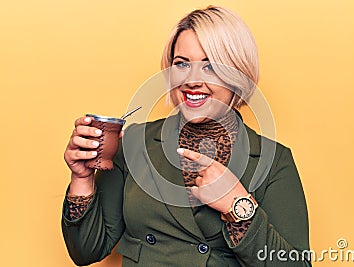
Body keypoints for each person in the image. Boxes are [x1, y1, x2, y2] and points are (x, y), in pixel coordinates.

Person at [62, 6, 311, 267]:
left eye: (210, 66)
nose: (192, 80)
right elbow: (86, 251)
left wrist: (238, 206)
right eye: (182, 64)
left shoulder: (273, 160)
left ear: (238, 74)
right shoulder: (133, 144)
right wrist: (82, 178)